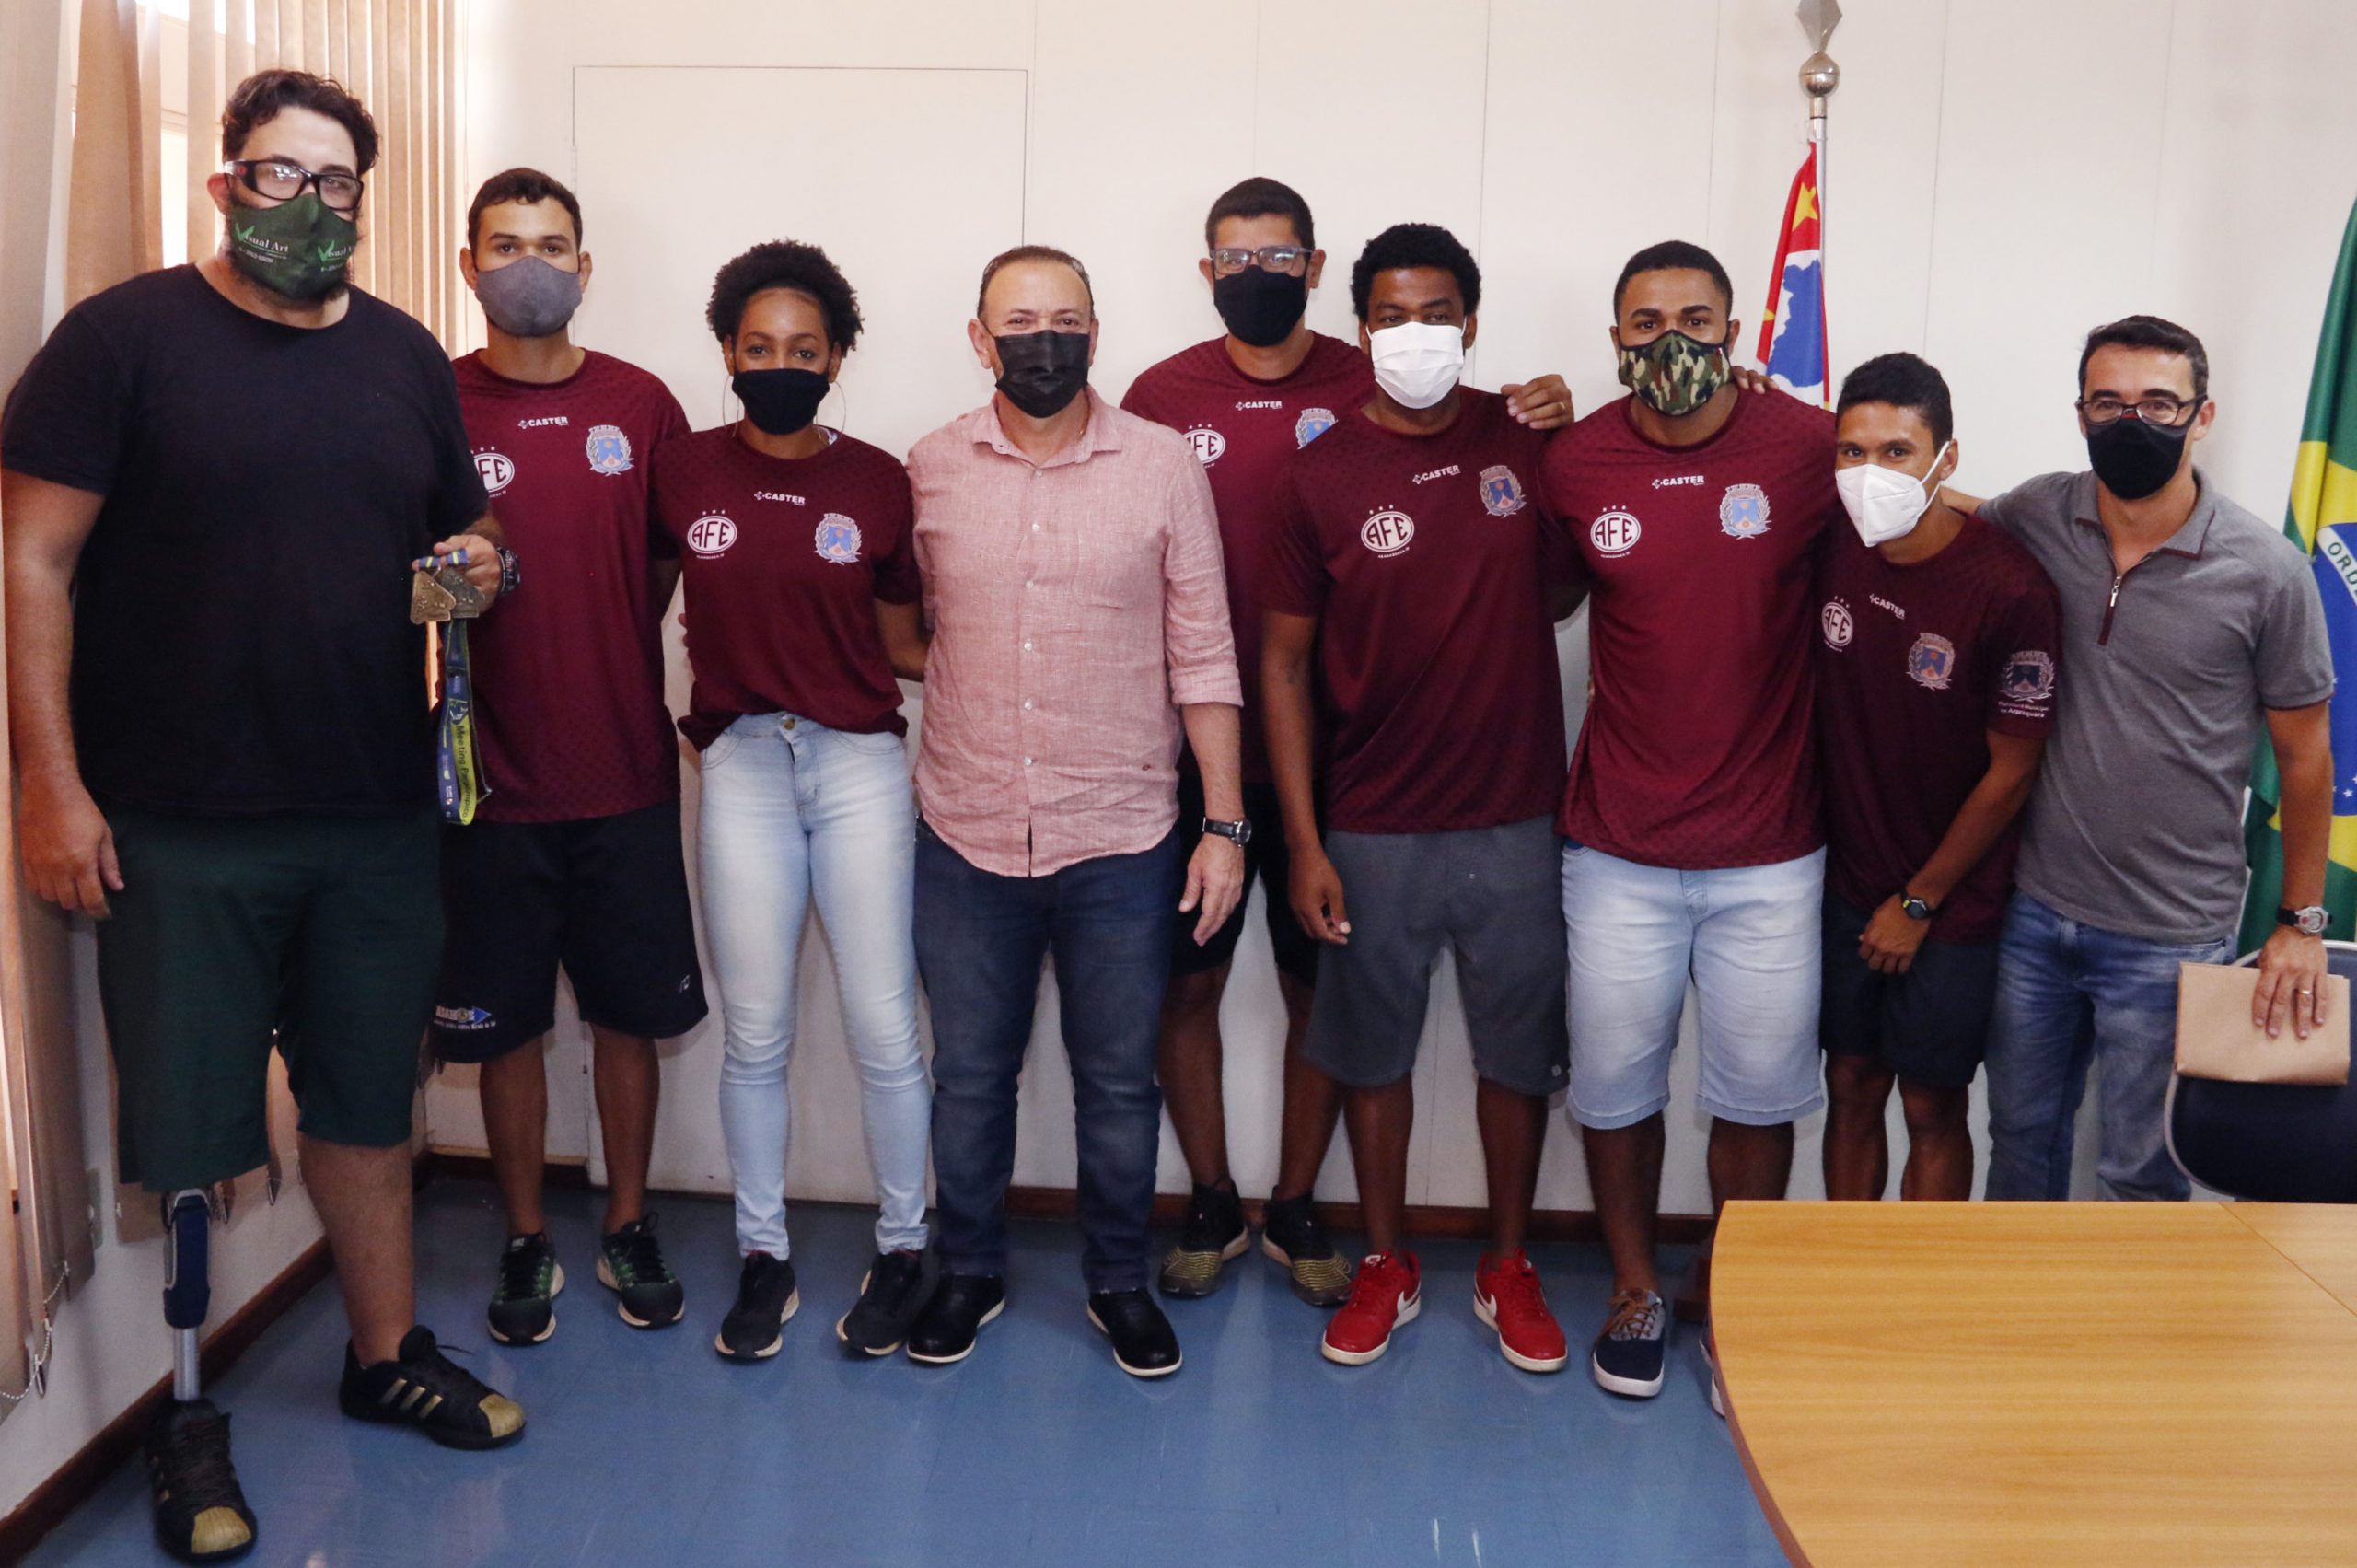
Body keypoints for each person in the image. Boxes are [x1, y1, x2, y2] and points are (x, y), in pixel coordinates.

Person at [1, 70, 523, 1564]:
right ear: (226, 184)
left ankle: (383, 1352)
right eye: (281, 174)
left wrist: (481, 558)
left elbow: (465, 521)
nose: (311, 203)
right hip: (181, 818)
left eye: (337, 181)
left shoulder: (406, 355)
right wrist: (50, 781)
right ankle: (184, 1410)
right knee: (190, 1121)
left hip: (371, 806)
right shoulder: (120, 343)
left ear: (363, 198)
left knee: (366, 1097)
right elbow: (30, 562)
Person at [1124, 178, 1576, 1306]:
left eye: (1279, 257)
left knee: (1319, 996)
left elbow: (1552, 554)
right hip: (1189, 748)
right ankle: (1212, 1197)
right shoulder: (1160, 395)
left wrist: (1555, 410)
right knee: (1185, 987)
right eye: (1235, 258)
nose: (1257, 277)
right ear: (1206, 270)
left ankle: (1296, 1203)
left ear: (1316, 271)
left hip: (1342, 768)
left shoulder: (1389, 390)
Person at [905, 244, 1245, 1379]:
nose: (1041, 340)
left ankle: (1116, 1280)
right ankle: (968, 1269)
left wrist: (1224, 825)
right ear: (978, 338)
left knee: (1116, 1081)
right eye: (1017, 321)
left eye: (1064, 319)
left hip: (1122, 833)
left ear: (1095, 333)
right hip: (966, 827)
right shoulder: (930, 466)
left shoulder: (1162, 464)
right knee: (968, 1077)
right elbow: (906, 624)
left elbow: (1204, 651)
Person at [1262, 222, 1575, 1372]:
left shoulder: (1526, 438)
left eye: (1436, 314)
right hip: (1372, 820)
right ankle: (1386, 1259)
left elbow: (1566, 590)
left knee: (1517, 1057)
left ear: (1471, 324)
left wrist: (1568, 427)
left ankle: (1508, 1261)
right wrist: (1304, 840)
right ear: (1360, 331)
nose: (1414, 334)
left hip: (1515, 812)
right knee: (1369, 1054)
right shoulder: (1319, 472)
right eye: (1390, 316)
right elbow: (1281, 665)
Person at [1544, 240, 1840, 1400]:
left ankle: (1732, 1295)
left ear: (1733, 332)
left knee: (1757, 1096)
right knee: (1614, 1090)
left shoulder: (1807, 444)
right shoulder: (1576, 460)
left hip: (1772, 849)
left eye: (1696, 317)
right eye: (1645, 320)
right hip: (1617, 846)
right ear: (1615, 337)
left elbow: (1916, 510)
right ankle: (1634, 1285)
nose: (1671, 337)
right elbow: (1537, 595)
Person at [650, 241, 937, 1361]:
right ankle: (762, 1254)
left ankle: (904, 1246)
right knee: (756, 1030)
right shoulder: (682, 470)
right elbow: (634, 605)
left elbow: (905, 644)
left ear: (836, 359)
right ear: (727, 351)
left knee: (884, 1026)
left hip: (858, 764)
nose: (781, 366)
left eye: (804, 350)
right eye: (760, 347)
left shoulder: (878, 480)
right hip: (742, 767)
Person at [435, 168, 707, 1347]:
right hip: (487, 784)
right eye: (505, 245)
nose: (529, 264)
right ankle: (526, 1234)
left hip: (624, 773)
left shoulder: (642, 405)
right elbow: (410, 578)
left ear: (585, 267)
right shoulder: (433, 401)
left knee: (628, 1017)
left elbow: (660, 567)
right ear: (469, 267)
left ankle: (629, 1221)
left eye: (551, 244)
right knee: (504, 1028)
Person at [1971, 316, 2334, 1202]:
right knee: (2019, 1145)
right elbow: (1947, 514)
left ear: (2202, 415)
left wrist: (2301, 921)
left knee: (2142, 1174)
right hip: (2037, 914)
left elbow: (2306, 756)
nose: (2132, 421)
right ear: (2080, 413)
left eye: (2159, 403)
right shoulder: (2040, 514)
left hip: (2173, 933)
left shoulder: (2268, 572)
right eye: (2109, 402)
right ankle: (2024, 1300)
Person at [1815, 353, 2059, 1203]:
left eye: (1897, 451)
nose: (1871, 472)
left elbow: (2013, 771)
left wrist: (1919, 902)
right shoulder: (1833, 539)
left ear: (1945, 459)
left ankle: (1920, 1280)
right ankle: (1846, 1268)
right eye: (1852, 451)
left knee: (1930, 1104)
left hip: (1953, 900)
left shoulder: (2011, 587)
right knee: (1850, 1082)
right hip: (1846, 881)